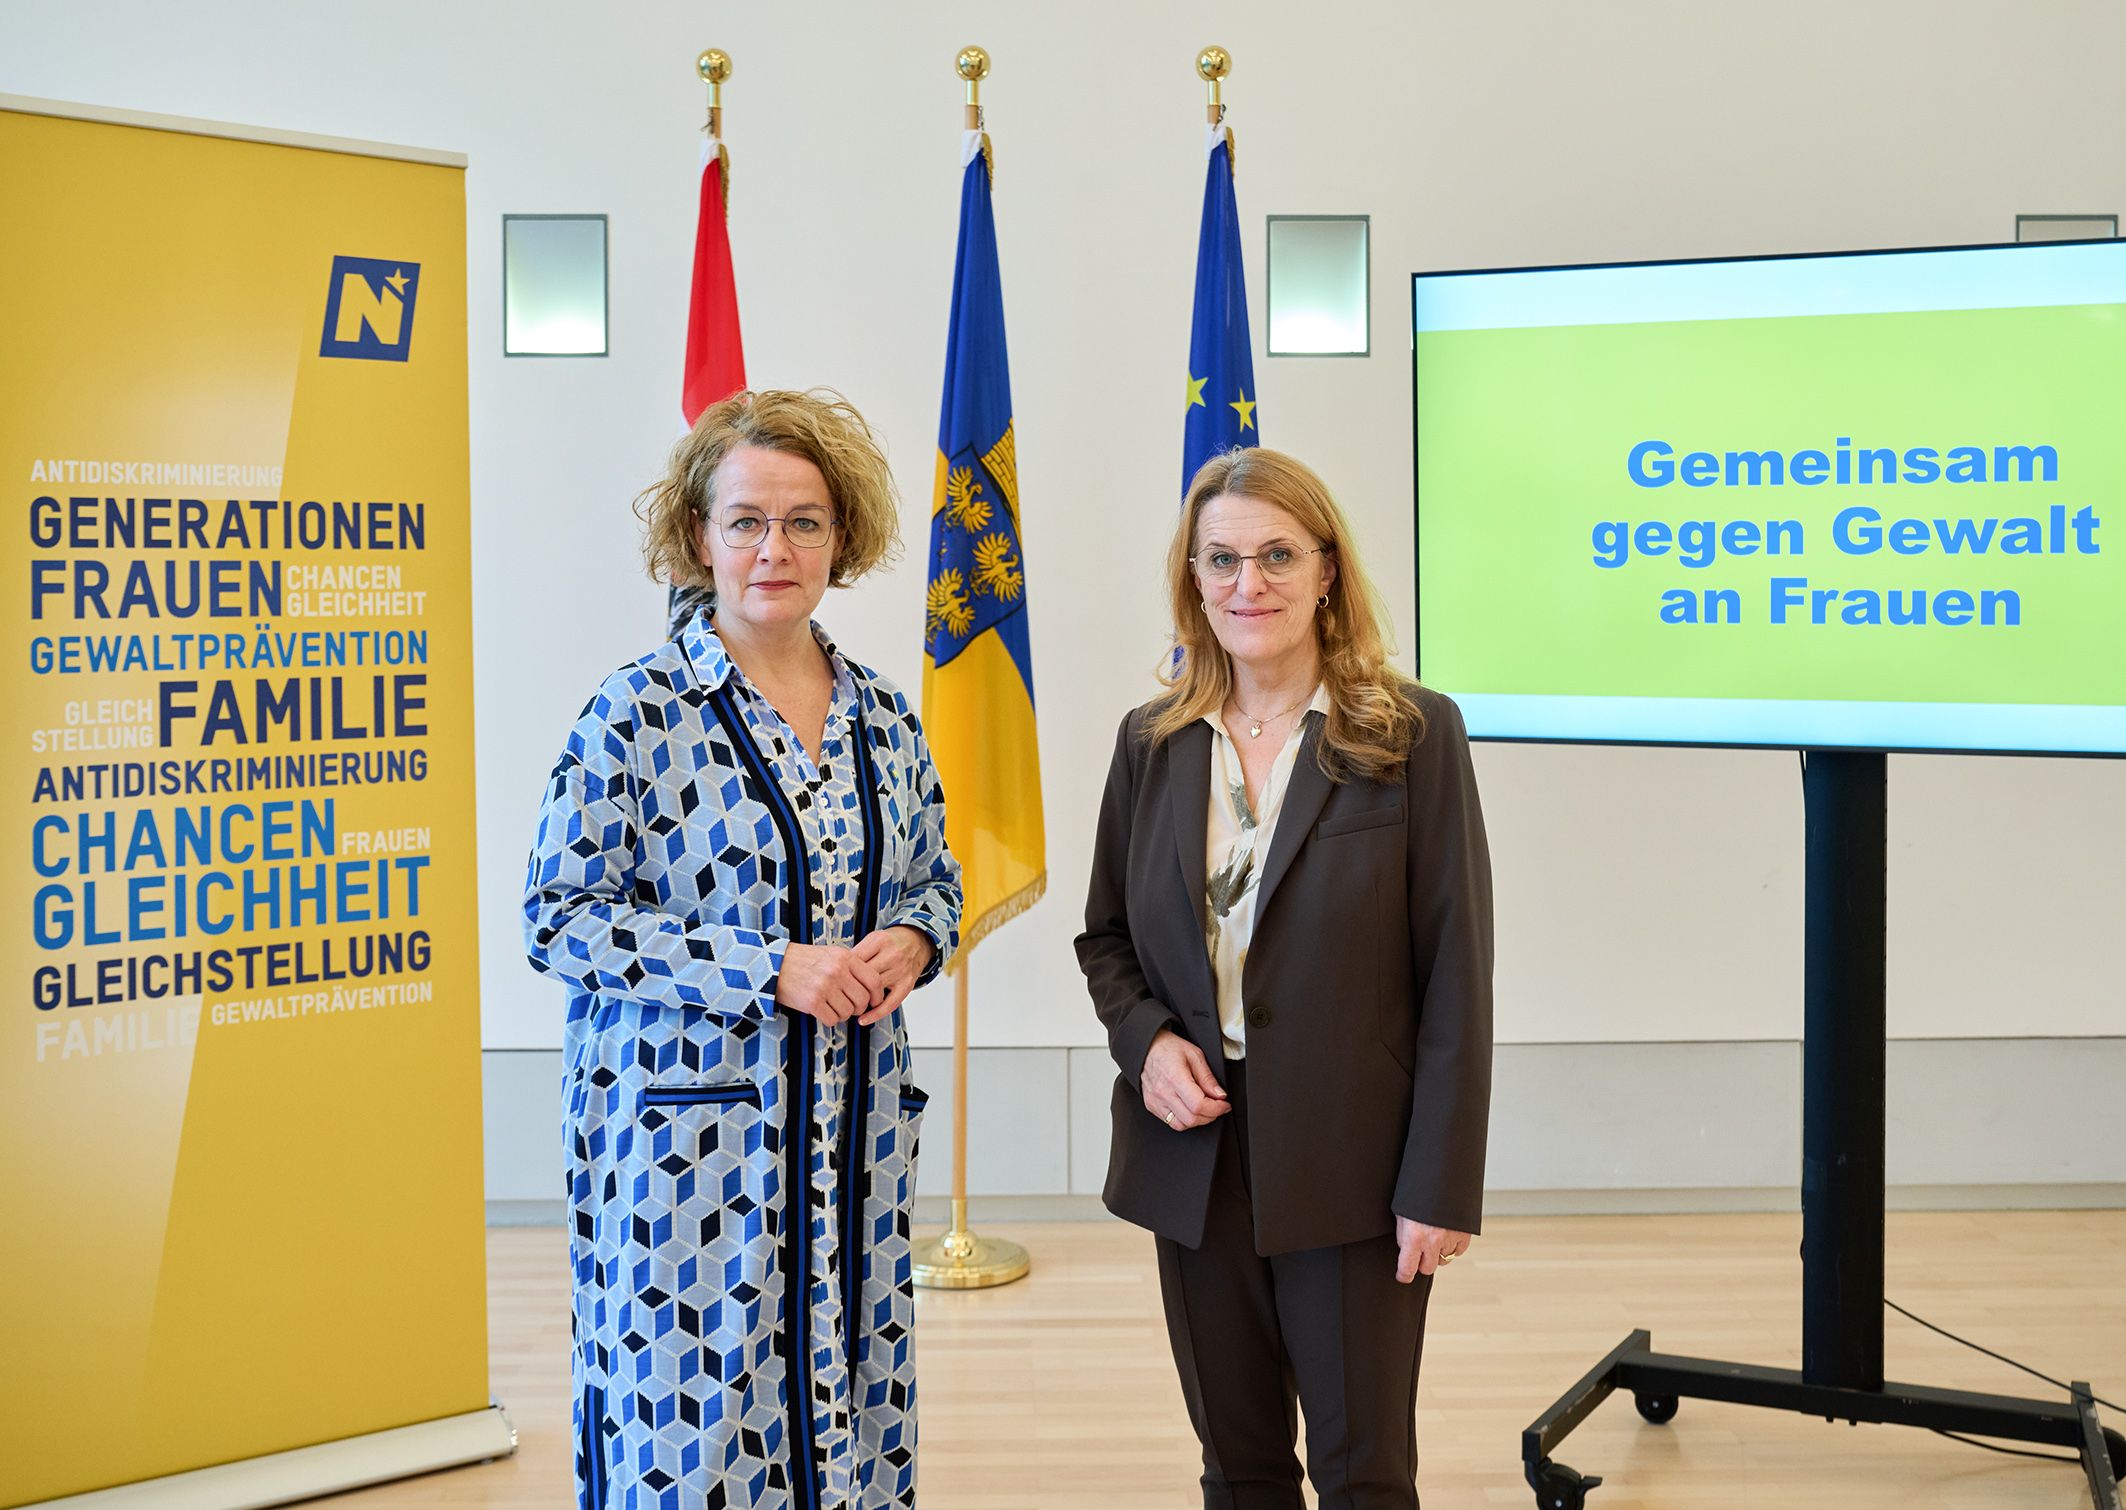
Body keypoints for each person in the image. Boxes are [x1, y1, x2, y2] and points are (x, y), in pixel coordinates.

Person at [524, 388, 962, 1510]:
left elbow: (935, 883)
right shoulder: (633, 713)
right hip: (688, 1168)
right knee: (693, 1436)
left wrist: (912, 939)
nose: (776, 548)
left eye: (804, 521)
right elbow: (557, 917)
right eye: (746, 521)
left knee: (852, 1417)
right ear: (697, 536)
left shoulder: (885, 718)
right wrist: (769, 966)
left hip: (853, 1147)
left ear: (841, 538)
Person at [1076, 446, 1493, 1509]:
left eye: (1274, 556)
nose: (1246, 584)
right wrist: (1147, 1044)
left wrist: (1438, 1183)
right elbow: (1106, 938)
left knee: (1362, 1473)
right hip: (1194, 1157)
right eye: (1220, 560)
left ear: (1326, 574)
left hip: (1353, 1159)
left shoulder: (1411, 734)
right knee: (1240, 1467)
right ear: (1193, 580)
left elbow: (1456, 972)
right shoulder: (1151, 742)